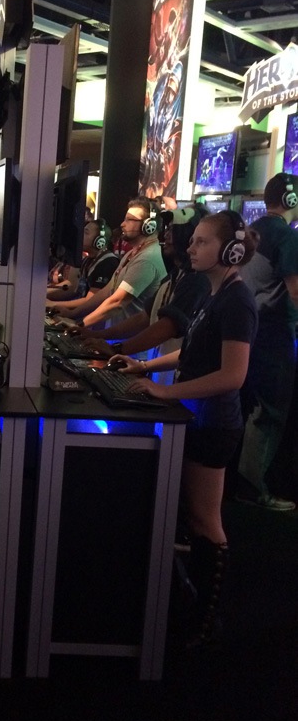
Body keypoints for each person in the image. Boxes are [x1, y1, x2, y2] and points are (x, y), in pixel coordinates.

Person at [110, 212, 258, 646]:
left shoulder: (237, 301)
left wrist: (166, 392)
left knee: (205, 520)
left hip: (214, 424)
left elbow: (233, 375)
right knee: (192, 518)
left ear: (231, 251)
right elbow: (191, 354)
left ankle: (205, 621)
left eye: (201, 242)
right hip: (197, 417)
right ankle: (190, 606)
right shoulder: (215, 294)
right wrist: (143, 366)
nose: (190, 248)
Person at [74, 205, 211, 377]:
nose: (166, 235)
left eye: (173, 230)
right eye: (167, 229)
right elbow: (144, 317)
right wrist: (98, 336)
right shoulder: (175, 275)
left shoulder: (196, 280)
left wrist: (116, 348)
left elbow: (167, 327)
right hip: (158, 375)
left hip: (173, 380)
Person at [235, 173, 298, 511]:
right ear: (291, 200)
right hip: (274, 339)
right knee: (269, 415)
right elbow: (296, 292)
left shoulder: (251, 230)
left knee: (251, 410)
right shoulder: (287, 237)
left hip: (250, 333)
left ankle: (241, 485)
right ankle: (253, 490)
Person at [56, 197, 166, 330]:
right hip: (117, 335)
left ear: (148, 226)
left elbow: (117, 302)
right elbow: (107, 291)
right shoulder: (132, 254)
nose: (122, 224)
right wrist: (73, 314)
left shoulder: (147, 259)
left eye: (129, 219)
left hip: (128, 340)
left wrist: (79, 325)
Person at [46, 219, 119, 311]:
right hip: (81, 313)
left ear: (99, 241)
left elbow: (91, 301)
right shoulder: (87, 260)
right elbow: (73, 287)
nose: (80, 236)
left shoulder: (108, 263)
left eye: (86, 233)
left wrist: (53, 304)